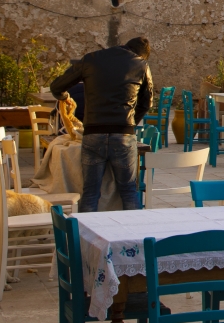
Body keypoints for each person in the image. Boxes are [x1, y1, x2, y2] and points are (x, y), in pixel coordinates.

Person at [49, 37, 152, 212]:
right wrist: (130, 123)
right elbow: (147, 102)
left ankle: (85, 230)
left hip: (93, 132)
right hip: (123, 134)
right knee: (128, 191)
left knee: (90, 193)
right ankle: (133, 229)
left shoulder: (91, 59)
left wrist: (64, 97)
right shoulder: (141, 65)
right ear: (141, 55)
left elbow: (56, 87)